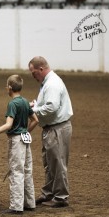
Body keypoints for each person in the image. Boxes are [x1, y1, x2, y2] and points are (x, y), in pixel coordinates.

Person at [0, 74, 39, 215]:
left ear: (10, 88)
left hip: (16, 141)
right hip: (25, 139)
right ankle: (30, 203)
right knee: (27, 170)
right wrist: (25, 132)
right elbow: (35, 120)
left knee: (16, 172)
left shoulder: (12, 104)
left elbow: (8, 125)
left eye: (7, 86)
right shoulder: (25, 101)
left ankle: (16, 206)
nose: (6, 88)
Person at [28, 56, 73, 208]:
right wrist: (37, 104)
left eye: (34, 73)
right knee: (50, 163)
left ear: (41, 69)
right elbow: (47, 104)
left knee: (57, 163)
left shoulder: (51, 84)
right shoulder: (48, 82)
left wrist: (32, 109)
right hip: (53, 128)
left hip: (57, 128)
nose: (33, 76)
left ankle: (60, 197)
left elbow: (52, 107)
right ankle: (49, 193)